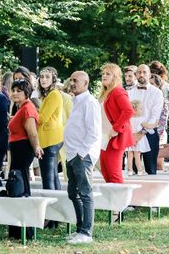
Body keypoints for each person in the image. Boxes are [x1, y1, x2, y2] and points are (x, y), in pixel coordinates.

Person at [64, 71, 101, 244]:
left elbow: (93, 132)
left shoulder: (90, 102)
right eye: (71, 80)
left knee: (85, 193)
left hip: (82, 155)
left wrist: (81, 153)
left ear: (86, 83)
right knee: (72, 192)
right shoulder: (75, 101)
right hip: (71, 154)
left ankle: (86, 232)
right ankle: (79, 229)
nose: (72, 83)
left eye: (76, 81)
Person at [7, 78, 42, 239]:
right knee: (18, 186)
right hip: (17, 148)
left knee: (21, 186)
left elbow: (32, 132)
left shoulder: (28, 108)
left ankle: (25, 229)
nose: (15, 93)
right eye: (13, 90)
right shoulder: (21, 108)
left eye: (19, 90)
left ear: (26, 92)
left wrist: (36, 148)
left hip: (23, 148)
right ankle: (17, 228)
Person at [99, 63, 135, 184]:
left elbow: (128, 110)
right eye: (103, 73)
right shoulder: (106, 92)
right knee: (105, 172)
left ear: (115, 77)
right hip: (105, 137)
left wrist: (115, 128)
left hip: (114, 137)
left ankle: (121, 203)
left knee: (113, 174)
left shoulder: (117, 91)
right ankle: (111, 202)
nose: (104, 76)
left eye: (108, 74)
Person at [126, 64, 164, 174]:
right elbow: (127, 115)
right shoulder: (129, 93)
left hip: (149, 134)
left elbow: (155, 116)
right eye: (139, 72)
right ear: (136, 75)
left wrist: (141, 133)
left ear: (149, 75)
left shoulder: (157, 93)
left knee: (150, 169)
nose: (141, 74)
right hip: (132, 134)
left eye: (144, 72)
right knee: (132, 170)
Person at [37, 66, 64, 190]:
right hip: (50, 139)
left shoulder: (54, 94)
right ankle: (56, 205)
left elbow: (42, 119)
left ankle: (50, 205)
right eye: (42, 77)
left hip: (50, 140)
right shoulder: (49, 94)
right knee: (52, 177)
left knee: (48, 178)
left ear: (53, 79)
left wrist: (29, 115)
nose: (43, 79)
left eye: (47, 77)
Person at [126, 100, 149, 176]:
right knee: (137, 156)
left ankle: (130, 170)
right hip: (138, 140)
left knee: (129, 155)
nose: (141, 110)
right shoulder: (140, 119)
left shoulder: (128, 119)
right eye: (140, 108)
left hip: (129, 138)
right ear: (135, 110)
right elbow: (147, 127)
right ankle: (140, 170)